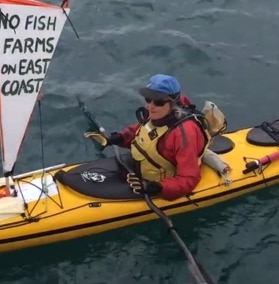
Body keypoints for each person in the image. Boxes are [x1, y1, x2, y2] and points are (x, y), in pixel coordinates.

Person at [84, 74, 212, 201]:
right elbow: (139, 132)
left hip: (158, 184)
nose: (150, 106)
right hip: (138, 169)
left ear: (174, 103)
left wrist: (156, 188)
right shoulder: (158, 113)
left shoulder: (184, 134)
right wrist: (113, 139)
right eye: (148, 99)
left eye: (158, 101)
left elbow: (189, 179)